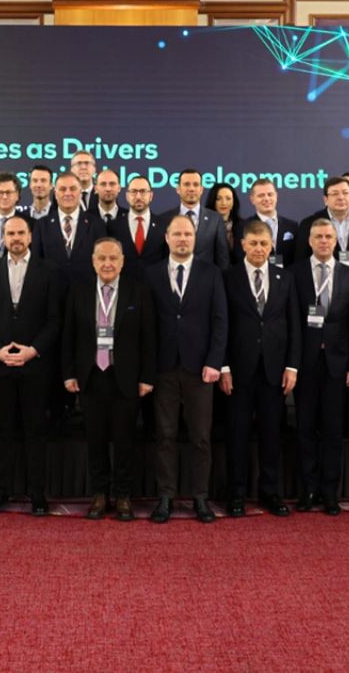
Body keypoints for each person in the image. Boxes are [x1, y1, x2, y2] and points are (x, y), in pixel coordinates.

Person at [62, 238, 156, 521]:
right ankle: (100, 494)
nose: (107, 264)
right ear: (93, 261)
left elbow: (149, 337)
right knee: (95, 440)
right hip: (91, 376)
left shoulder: (138, 291)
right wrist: (69, 373)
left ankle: (123, 495)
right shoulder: (79, 291)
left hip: (126, 377)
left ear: (122, 261)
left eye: (113, 258)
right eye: (101, 258)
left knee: (125, 440)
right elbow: (69, 335)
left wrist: (147, 377)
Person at [0, 216, 61, 517]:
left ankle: (37, 493)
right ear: (3, 237)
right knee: (0, 431)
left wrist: (32, 351)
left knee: (35, 431)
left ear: (30, 236)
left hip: (34, 365)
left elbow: (54, 319)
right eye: (10, 233)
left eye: (20, 232)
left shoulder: (49, 271)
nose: (15, 238)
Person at [145, 214, 228, 524]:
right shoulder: (151, 273)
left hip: (200, 368)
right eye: (177, 234)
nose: (182, 239)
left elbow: (220, 320)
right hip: (163, 367)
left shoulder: (212, 273)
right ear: (167, 238)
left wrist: (215, 362)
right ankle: (165, 496)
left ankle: (200, 497)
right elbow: (145, 324)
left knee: (200, 437)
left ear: (195, 239)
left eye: (188, 235)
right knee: (164, 435)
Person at [220, 220, 299, 518]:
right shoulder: (228, 277)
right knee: (237, 435)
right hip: (238, 371)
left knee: (271, 435)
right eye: (253, 243)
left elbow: (293, 325)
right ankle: (236, 494)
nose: (258, 249)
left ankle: (270, 492)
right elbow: (221, 325)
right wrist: (224, 367)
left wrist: (292, 366)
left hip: (274, 371)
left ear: (271, 245)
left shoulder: (285, 278)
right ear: (242, 244)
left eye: (264, 243)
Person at [294, 218, 349, 515]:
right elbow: (292, 322)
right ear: (310, 241)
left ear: (336, 241)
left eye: (328, 237)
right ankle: (308, 489)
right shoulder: (294, 273)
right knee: (305, 428)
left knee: (333, 430)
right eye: (319, 237)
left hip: (338, 363)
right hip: (305, 362)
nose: (324, 241)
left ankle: (330, 491)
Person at [32, 171, 106, 288]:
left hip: (86, 292)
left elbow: (102, 261)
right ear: (55, 194)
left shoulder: (96, 224)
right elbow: (36, 264)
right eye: (62, 189)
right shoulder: (42, 225)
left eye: (73, 189)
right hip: (51, 293)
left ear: (80, 193)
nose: (68, 193)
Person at [294, 176, 349, 276]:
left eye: (345, 193)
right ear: (325, 199)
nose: (341, 197)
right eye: (335, 194)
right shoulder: (309, 224)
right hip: (322, 281)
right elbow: (300, 262)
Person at [167, 169, 230, 269]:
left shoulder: (215, 219)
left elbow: (222, 258)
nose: (191, 189)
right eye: (187, 184)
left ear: (201, 189)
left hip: (207, 277)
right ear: (178, 189)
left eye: (196, 184)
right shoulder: (166, 219)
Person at [107, 175, 166, 279]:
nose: (138, 197)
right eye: (133, 192)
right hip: (124, 285)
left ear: (151, 195)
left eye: (143, 191)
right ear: (127, 196)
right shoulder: (113, 226)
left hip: (155, 285)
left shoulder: (164, 225)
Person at [246, 178, 297, 266]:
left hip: (287, 274)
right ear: (252, 199)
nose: (266, 198)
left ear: (276, 196)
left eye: (270, 194)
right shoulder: (243, 227)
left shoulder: (292, 226)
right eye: (261, 195)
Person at [205, 182, 242, 264]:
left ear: (233, 202)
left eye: (228, 198)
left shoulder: (242, 226)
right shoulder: (204, 226)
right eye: (218, 199)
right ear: (213, 201)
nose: (224, 203)